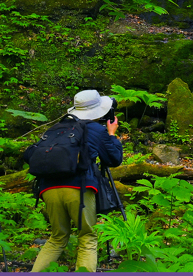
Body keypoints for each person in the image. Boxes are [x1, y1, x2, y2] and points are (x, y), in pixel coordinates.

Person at [26, 89, 123, 273]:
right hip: (78, 188)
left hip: (48, 187)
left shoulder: (56, 128)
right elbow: (114, 158)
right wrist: (111, 134)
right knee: (87, 237)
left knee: (57, 238)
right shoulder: (95, 129)